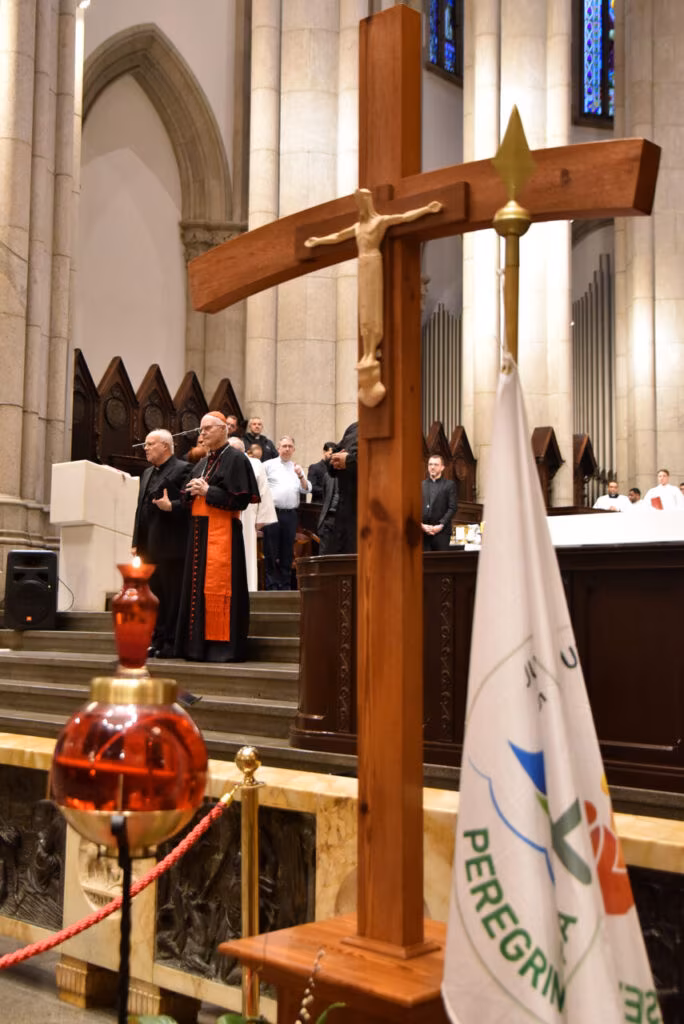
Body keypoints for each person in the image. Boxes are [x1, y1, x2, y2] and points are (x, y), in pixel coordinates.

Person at [305, 189, 442, 407]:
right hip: (362, 264)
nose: (361, 207)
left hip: (374, 262)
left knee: (374, 309)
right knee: (364, 310)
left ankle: (371, 352)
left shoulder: (380, 222)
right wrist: (317, 241)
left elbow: (404, 217)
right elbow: (339, 236)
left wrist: (427, 209)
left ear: (368, 203)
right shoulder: (358, 227)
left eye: (362, 202)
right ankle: (367, 353)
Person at [170, 411, 259, 662]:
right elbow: (185, 493)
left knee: (220, 588)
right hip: (199, 534)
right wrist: (191, 492)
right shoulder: (202, 462)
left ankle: (221, 648)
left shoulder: (236, 458)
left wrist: (208, 490)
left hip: (222, 535)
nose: (203, 433)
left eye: (208, 428)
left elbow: (241, 500)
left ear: (224, 430)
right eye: (201, 429)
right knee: (196, 589)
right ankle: (196, 647)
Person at [131, 429, 191, 658]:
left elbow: (187, 506)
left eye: (149, 444)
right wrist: (136, 541)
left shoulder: (183, 469)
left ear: (165, 446)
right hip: (149, 546)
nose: (145, 448)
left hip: (171, 546)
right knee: (152, 595)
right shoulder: (146, 473)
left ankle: (171, 642)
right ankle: (155, 639)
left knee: (171, 596)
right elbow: (140, 509)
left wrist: (171, 506)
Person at [228, 436, 277, 591]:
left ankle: (248, 589)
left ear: (243, 451)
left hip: (248, 514)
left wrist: (261, 520)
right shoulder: (220, 463)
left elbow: (263, 490)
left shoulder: (255, 464)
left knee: (246, 553)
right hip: (225, 511)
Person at [262, 436, 311, 589]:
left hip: (290, 514)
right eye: (284, 446)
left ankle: (284, 585)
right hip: (272, 513)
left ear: (294, 449)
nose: (287, 449)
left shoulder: (296, 467)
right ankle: (271, 585)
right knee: (271, 549)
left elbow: (307, 488)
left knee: (287, 551)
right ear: (278, 448)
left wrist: (301, 475)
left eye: (290, 446)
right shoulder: (267, 465)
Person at [321, 422, 358, 555]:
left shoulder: (385, 425)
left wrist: (348, 460)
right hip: (345, 507)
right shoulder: (353, 428)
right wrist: (334, 459)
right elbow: (336, 452)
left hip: (368, 505)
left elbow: (380, 462)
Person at [421, 454, 458, 550]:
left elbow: (452, 508)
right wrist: (421, 525)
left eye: (436, 465)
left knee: (441, 564)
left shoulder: (449, 485)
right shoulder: (421, 485)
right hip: (423, 533)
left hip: (442, 534)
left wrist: (440, 525)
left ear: (442, 467)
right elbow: (414, 507)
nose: (432, 467)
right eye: (430, 464)